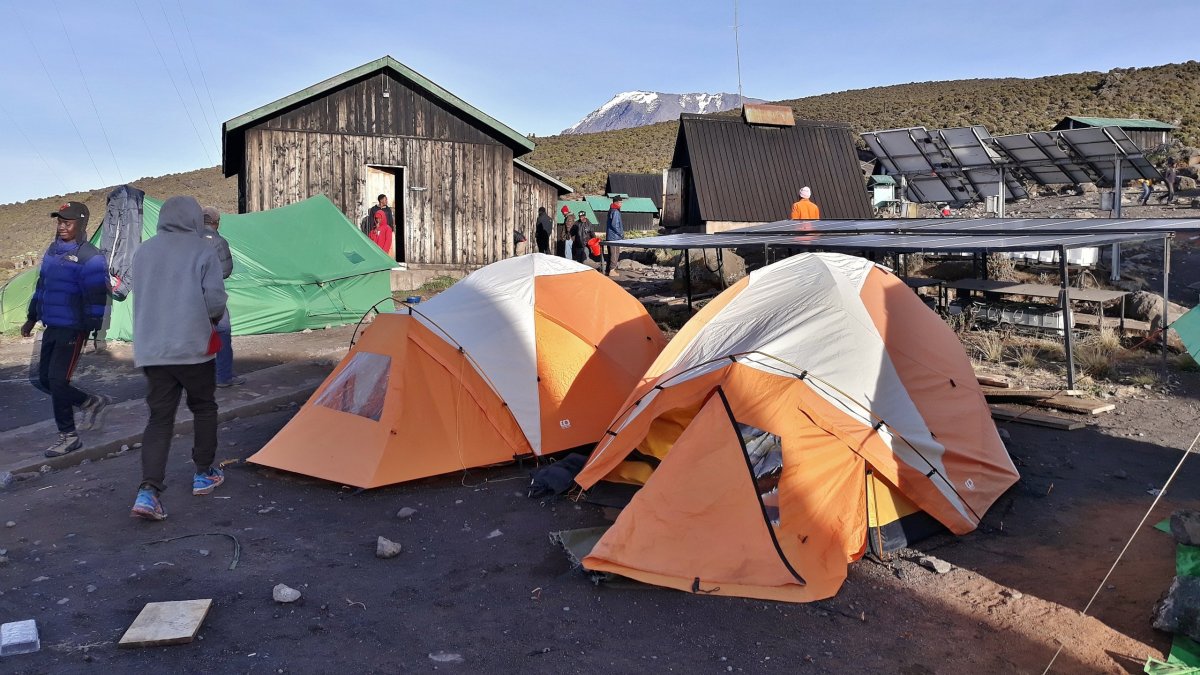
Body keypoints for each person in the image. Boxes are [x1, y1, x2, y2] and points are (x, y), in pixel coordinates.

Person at [129, 196, 228, 521]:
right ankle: (203, 473)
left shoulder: (144, 251)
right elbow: (214, 302)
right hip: (192, 347)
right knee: (203, 408)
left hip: (153, 351)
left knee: (159, 419)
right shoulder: (201, 250)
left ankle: (148, 492)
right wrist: (208, 321)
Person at [21, 201, 111, 458]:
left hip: (73, 328)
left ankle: (68, 437)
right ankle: (88, 402)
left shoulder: (90, 257)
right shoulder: (52, 251)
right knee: (42, 380)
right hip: (52, 324)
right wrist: (31, 317)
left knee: (58, 381)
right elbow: (42, 286)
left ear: (81, 224)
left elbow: (97, 297)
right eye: (59, 221)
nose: (62, 226)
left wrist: (94, 331)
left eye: (67, 222)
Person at [202, 207, 244, 388]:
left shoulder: (189, 240)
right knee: (223, 333)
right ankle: (224, 377)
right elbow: (225, 271)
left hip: (190, 297)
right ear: (216, 222)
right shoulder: (219, 241)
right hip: (212, 295)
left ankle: (197, 379)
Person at [605, 196, 624, 276]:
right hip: (614, 237)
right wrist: (621, 233)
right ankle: (612, 270)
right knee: (615, 253)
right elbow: (615, 224)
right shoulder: (615, 211)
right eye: (620, 202)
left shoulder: (611, 210)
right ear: (616, 202)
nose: (621, 204)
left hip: (610, 236)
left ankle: (608, 270)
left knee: (611, 253)